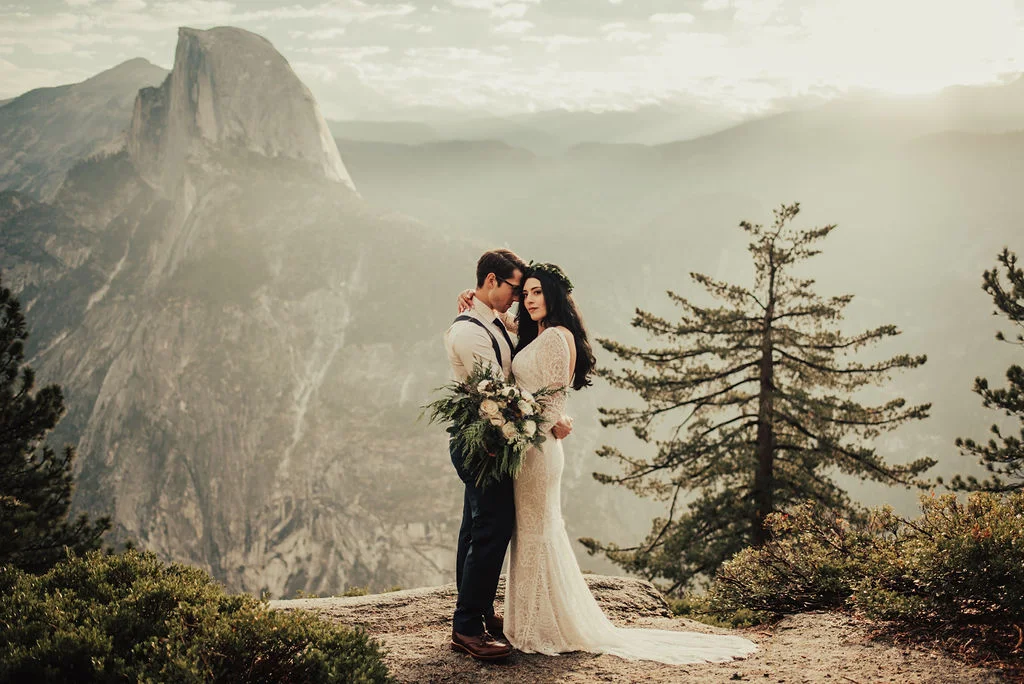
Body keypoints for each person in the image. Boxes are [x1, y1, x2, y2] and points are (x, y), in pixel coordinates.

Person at [459, 262, 758, 664]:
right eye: (524, 293)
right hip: (529, 447)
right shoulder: (539, 332)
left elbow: (549, 401)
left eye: (536, 293)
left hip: (538, 450)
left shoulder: (556, 338)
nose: (528, 301)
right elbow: (504, 329)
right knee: (530, 531)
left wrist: (553, 420)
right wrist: (472, 303)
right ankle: (529, 617)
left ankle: (541, 623)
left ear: (554, 296)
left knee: (535, 532)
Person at [443, 249, 573, 662]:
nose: (520, 297)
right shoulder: (470, 331)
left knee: (476, 526)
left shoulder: (495, 321)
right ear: (494, 281)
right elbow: (498, 394)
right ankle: (467, 626)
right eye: (516, 288)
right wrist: (549, 419)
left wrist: (555, 415)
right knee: (491, 528)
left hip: (498, 440)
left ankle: (477, 615)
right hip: (481, 441)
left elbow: (535, 363)